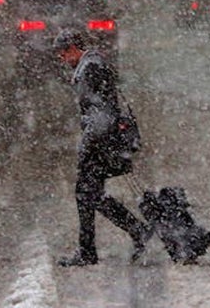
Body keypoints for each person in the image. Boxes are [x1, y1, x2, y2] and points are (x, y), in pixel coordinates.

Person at [55, 30, 150, 267]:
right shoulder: (93, 64)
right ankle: (133, 232)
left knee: (86, 194)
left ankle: (95, 248)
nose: (62, 59)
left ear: (73, 48)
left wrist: (86, 146)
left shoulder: (89, 68)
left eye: (63, 53)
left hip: (100, 143)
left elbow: (99, 114)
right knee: (90, 195)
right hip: (104, 141)